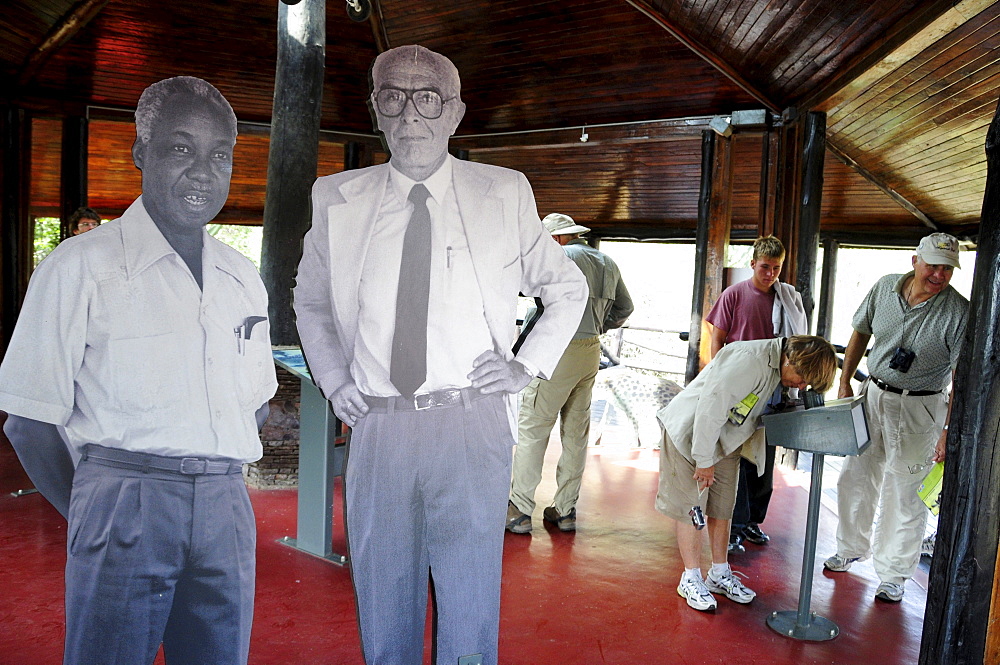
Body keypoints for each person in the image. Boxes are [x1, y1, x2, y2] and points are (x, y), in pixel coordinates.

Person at [293, 45, 587, 665]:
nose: (411, 115)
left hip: (470, 421)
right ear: (376, 109)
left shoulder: (502, 193)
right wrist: (333, 375)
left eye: (428, 98)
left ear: (455, 113)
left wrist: (523, 366)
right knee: (381, 591)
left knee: (470, 595)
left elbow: (566, 288)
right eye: (394, 97)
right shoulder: (335, 197)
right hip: (379, 424)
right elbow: (312, 299)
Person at [0, 76, 277, 665]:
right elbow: (28, 420)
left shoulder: (241, 276)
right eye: (181, 149)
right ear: (140, 155)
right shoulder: (81, 267)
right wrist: (94, 509)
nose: (204, 171)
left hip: (227, 505)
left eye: (219, 155)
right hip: (123, 500)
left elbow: (253, 399)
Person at [824, 232, 968, 603]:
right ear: (914, 260)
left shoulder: (957, 312)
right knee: (855, 475)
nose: (939, 274)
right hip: (873, 393)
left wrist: (947, 431)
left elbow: (963, 378)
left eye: (947, 268)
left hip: (921, 405)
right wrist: (844, 382)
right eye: (933, 264)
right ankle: (850, 547)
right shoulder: (885, 287)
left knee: (905, 491)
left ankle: (894, 574)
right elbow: (859, 331)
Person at [656, 335, 837, 611]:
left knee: (722, 507)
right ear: (791, 359)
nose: (801, 387)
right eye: (801, 379)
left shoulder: (780, 369)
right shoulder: (749, 361)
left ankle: (718, 573)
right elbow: (710, 407)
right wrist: (703, 459)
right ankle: (690, 576)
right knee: (691, 507)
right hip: (693, 435)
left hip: (727, 440)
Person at [506, 213, 633, 533]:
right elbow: (625, 309)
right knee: (576, 434)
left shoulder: (559, 257)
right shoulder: (607, 262)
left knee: (533, 429)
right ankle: (565, 510)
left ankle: (520, 509)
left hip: (555, 352)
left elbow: (520, 289)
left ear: (556, 238)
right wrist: (595, 325)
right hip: (590, 351)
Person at [704, 235, 808, 553]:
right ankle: (733, 525)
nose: (770, 274)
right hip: (739, 385)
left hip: (773, 387)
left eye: (776, 268)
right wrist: (716, 378)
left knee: (764, 458)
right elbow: (716, 339)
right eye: (765, 267)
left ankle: (752, 521)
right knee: (737, 455)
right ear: (753, 264)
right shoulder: (734, 294)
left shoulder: (786, 297)